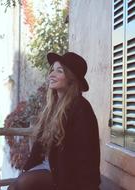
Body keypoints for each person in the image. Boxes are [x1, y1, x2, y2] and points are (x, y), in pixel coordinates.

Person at [8, 52, 101, 190]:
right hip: (50, 165)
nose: (51, 74)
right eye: (52, 70)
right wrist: (27, 168)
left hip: (68, 174)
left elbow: (85, 155)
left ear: (71, 78)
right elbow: (39, 145)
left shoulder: (81, 108)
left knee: (23, 184)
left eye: (59, 71)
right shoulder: (53, 106)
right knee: (15, 185)